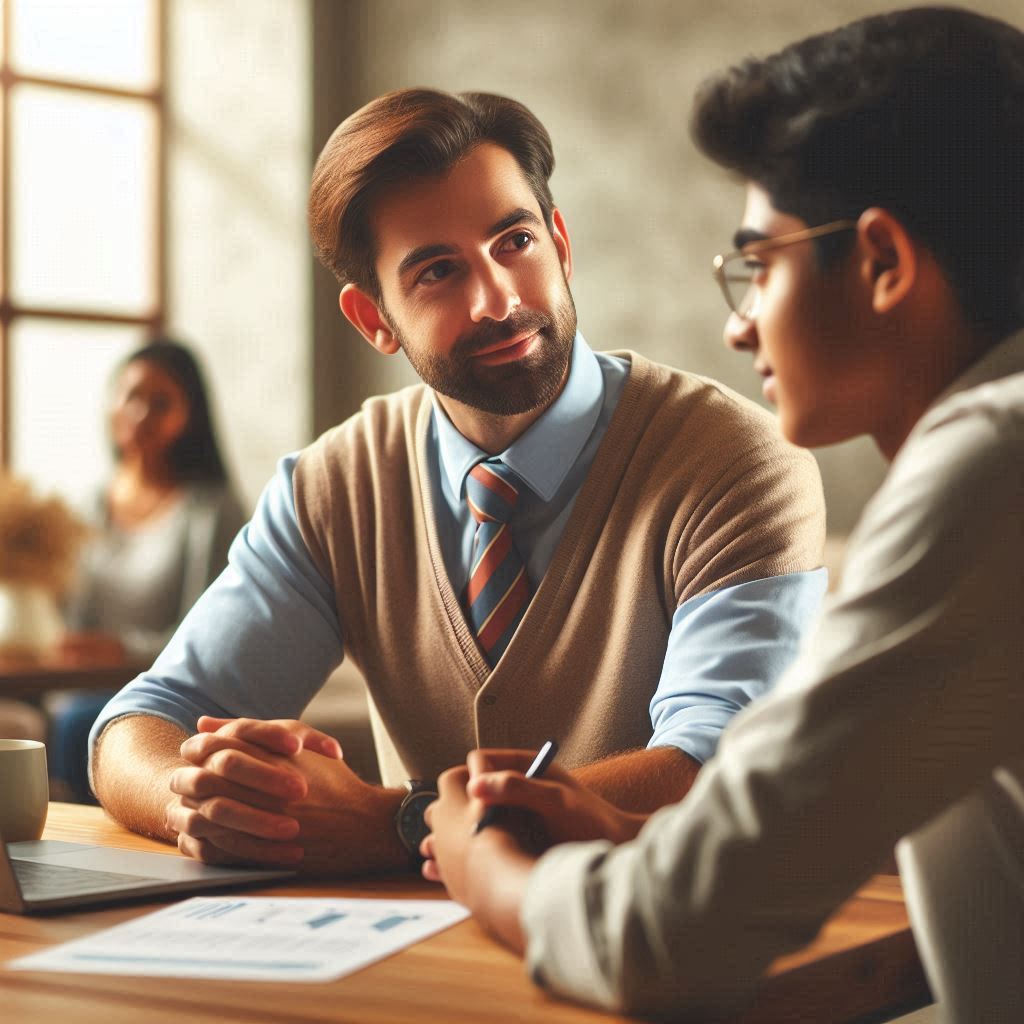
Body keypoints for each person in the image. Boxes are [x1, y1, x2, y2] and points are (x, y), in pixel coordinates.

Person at [421, 8, 1024, 1022]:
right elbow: (862, 807)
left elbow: (659, 942)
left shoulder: (987, 466)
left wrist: (482, 869)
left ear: (882, 260)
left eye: (760, 265)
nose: (738, 324)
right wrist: (633, 838)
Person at [88, 88, 825, 875]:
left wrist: (398, 823)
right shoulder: (332, 486)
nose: (498, 300)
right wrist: (206, 802)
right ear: (374, 321)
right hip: (419, 964)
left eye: (514, 242)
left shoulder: (739, 463)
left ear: (561, 242)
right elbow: (140, 723)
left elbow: (713, 768)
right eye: (437, 272)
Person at [49, 339, 246, 803]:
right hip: (78, 685)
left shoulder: (211, 511)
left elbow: (210, 636)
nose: (141, 413)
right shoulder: (89, 505)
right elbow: (72, 619)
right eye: (131, 397)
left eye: (161, 403)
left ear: (191, 415)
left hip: (161, 691)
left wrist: (119, 648)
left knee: (78, 721)